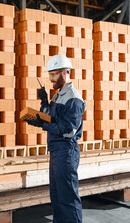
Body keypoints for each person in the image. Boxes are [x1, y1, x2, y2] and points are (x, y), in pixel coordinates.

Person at [24, 55, 85, 223]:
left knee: (67, 197)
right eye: (49, 75)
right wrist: (43, 103)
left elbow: (67, 130)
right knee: (57, 195)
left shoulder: (74, 99)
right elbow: (50, 118)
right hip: (56, 151)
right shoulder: (58, 96)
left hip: (66, 151)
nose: (50, 79)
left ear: (64, 73)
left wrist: (41, 124)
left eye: (53, 75)